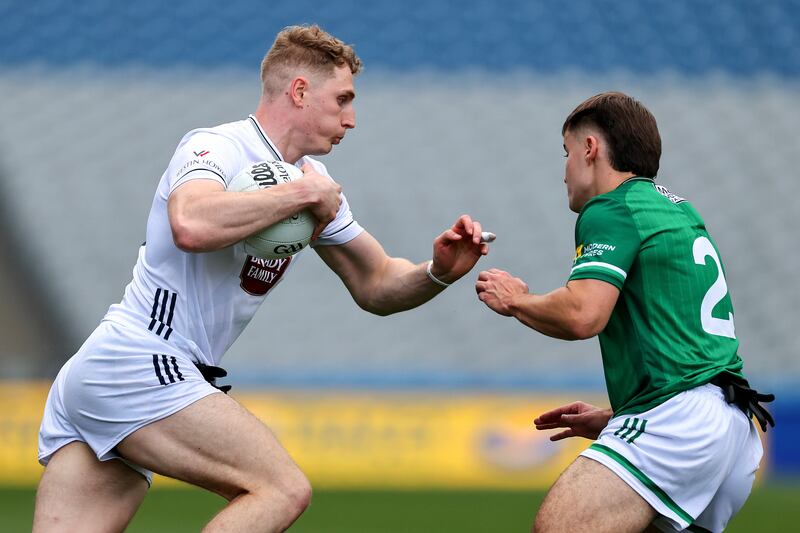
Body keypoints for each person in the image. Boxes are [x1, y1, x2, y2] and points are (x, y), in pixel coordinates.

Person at [33, 24, 491, 533]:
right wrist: (300, 197)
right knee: (280, 489)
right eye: (342, 100)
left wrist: (438, 273)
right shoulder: (218, 147)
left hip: (117, 374)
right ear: (299, 91)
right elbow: (189, 224)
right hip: (141, 359)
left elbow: (378, 283)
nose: (351, 119)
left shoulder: (313, 184)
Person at [476, 92, 773, 533]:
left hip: (681, 419)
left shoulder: (612, 207)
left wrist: (517, 299)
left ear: (591, 149)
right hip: (731, 425)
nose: (564, 171)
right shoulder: (677, 211)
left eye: (567, 152)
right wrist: (620, 417)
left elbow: (583, 314)